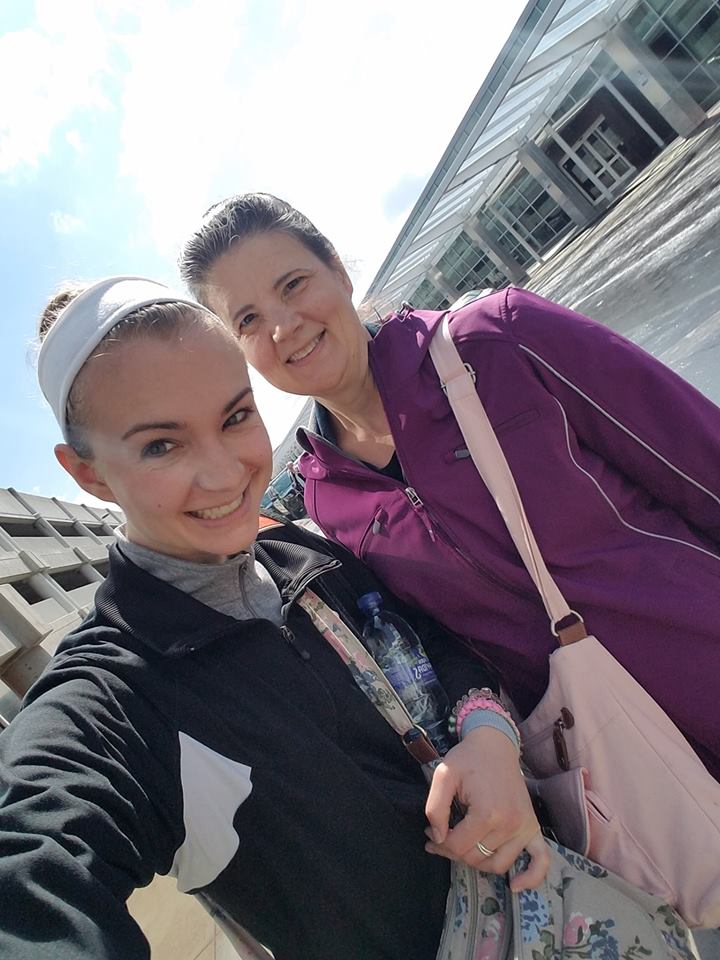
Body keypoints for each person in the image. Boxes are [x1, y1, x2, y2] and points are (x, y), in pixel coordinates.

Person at [0, 277, 548, 960]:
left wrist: (489, 735)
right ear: (88, 474)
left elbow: (437, 640)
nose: (225, 474)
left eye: (235, 417)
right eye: (161, 446)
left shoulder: (304, 554)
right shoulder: (115, 695)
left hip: (557, 899)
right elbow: (36, 863)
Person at [179, 193, 720, 783]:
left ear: (337, 268)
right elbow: (452, 645)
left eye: (293, 284)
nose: (283, 328)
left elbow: (700, 460)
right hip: (621, 773)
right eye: (248, 321)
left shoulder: (500, 340)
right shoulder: (326, 496)